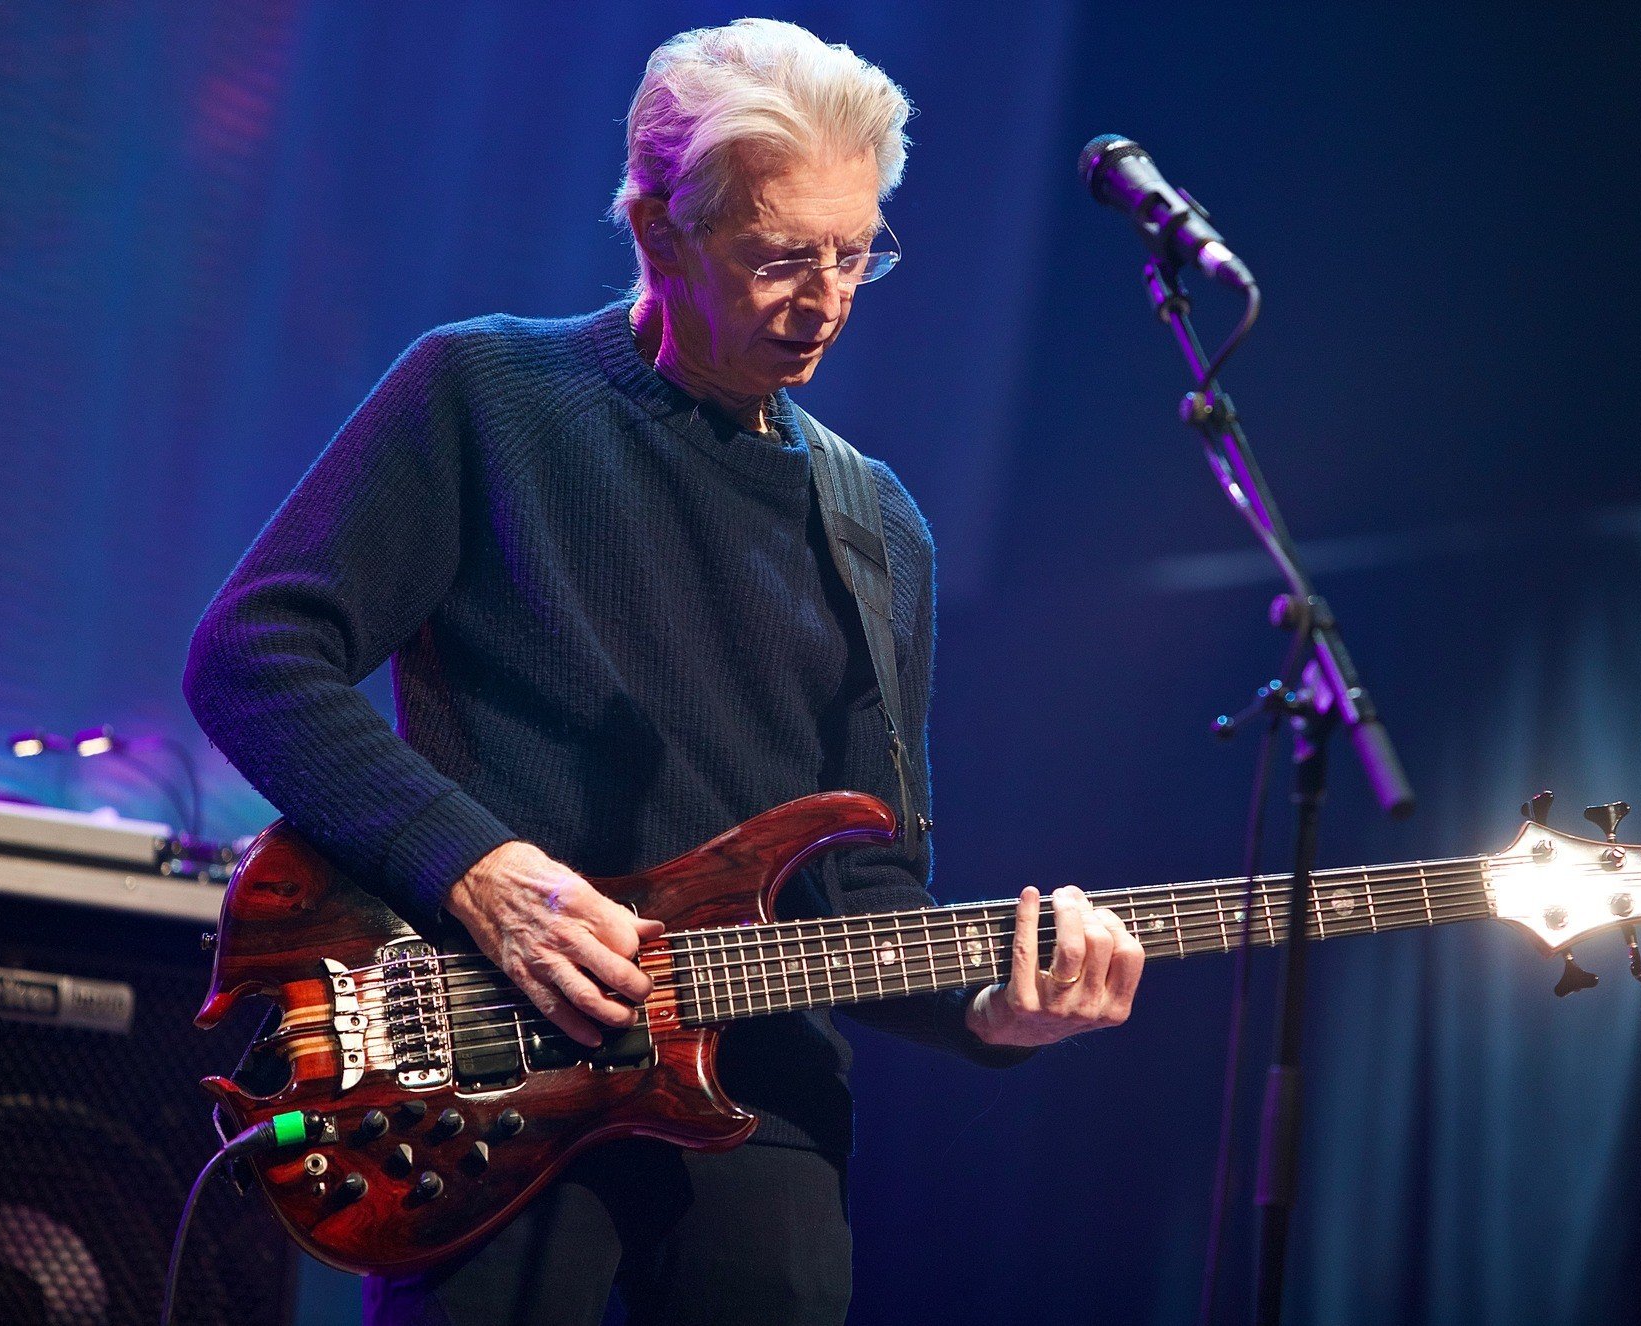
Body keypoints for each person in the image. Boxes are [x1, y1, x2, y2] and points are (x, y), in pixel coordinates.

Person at [183, 18, 1142, 1326]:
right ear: (656, 231)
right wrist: (475, 865)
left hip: (764, 1144)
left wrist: (995, 1007)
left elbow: (859, 891)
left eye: (858, 253)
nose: (827, 301)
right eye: (780, 258)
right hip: (489, 1093)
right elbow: (251, 654)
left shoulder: (880, 525)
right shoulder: (486, 393)